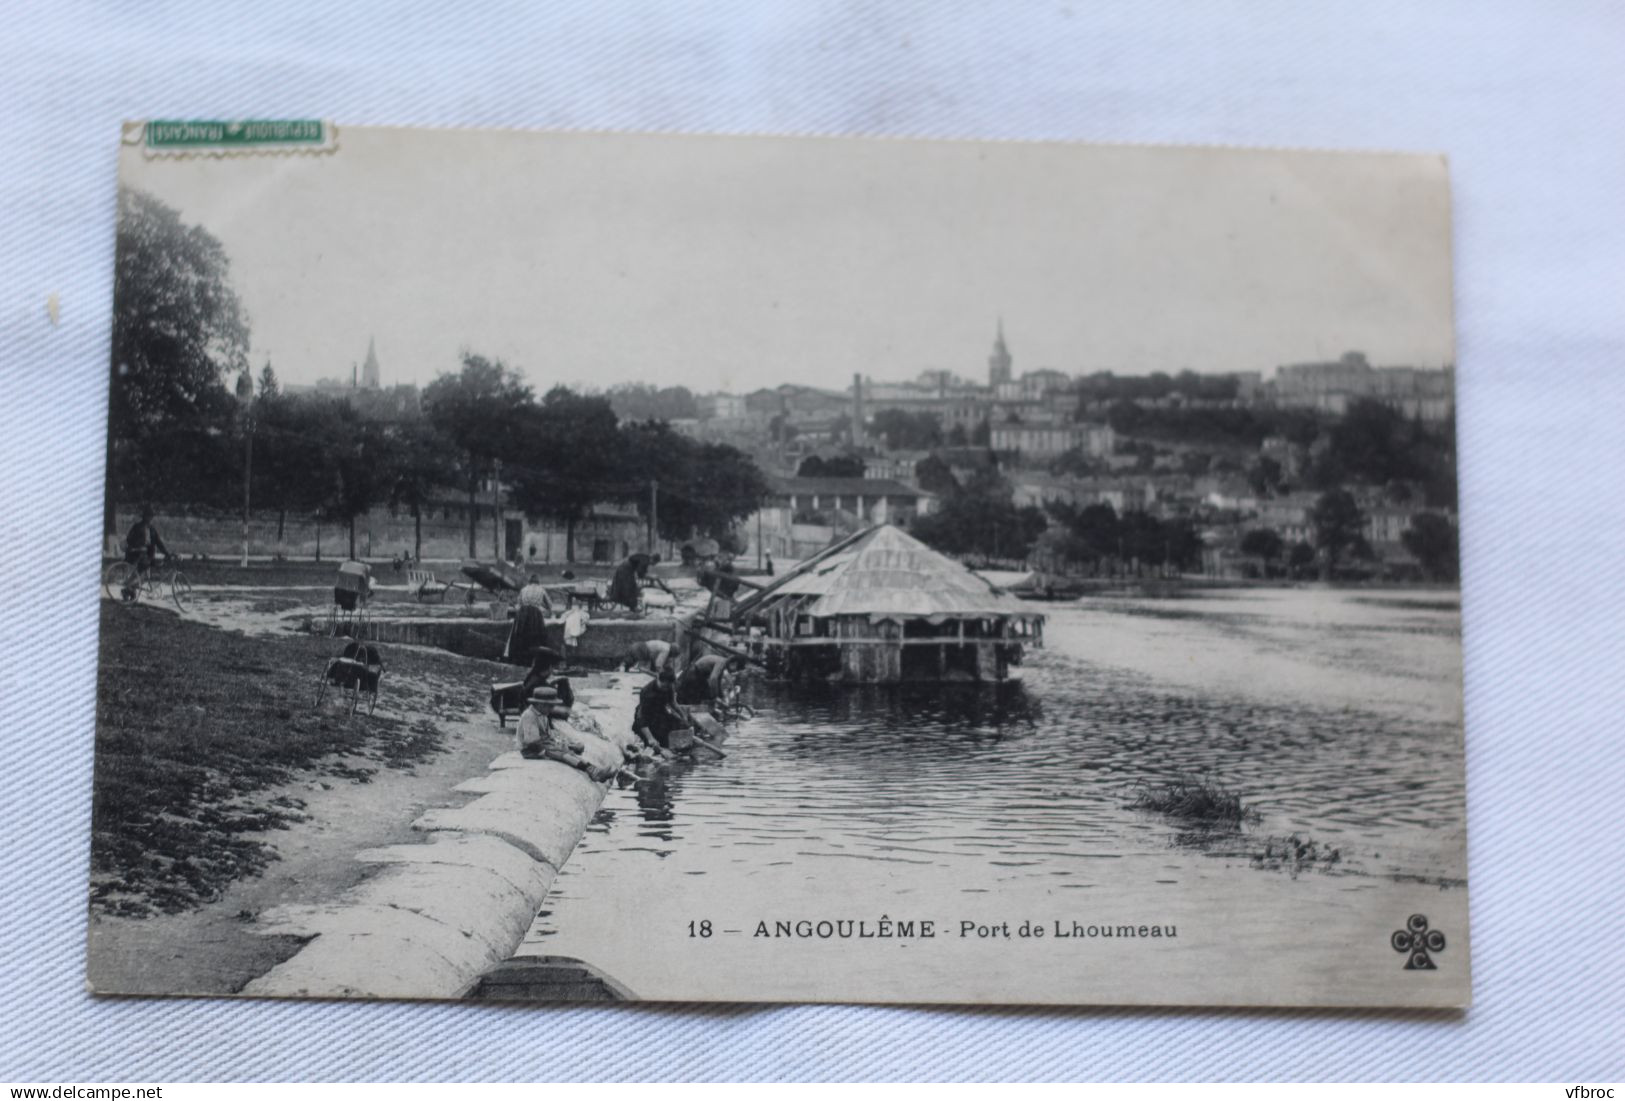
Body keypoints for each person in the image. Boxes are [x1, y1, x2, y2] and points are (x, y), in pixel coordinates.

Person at [515, 689, 614, 780]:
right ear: (541, 704)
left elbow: (548, 736)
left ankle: (593, 770)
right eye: (550, 706)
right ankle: (592, 771)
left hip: (544, 745)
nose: (552, 709)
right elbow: (531, 741)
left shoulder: (542, 715)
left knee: (568, 750)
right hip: (531, 750)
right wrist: (544, 752)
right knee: (564, 755)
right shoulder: (529, 716)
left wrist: (566, 744)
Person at [633, 667, 688, 754]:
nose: (665, 689)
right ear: (659, 680)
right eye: (664, 686)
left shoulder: (669, 686)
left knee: (681, 725)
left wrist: (683, 716)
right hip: (647, 717)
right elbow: (641, 718)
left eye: (668, 687)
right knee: (659, 738)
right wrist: (650, 738)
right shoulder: (647, 692)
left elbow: (673, 703)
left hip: (660, 713)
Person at [676, 653, 746, 706]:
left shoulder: (722, 663)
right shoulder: (721, 662)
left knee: (707, 694)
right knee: (703, 696)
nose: (734, 672)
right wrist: (716, 697)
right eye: (736, 669)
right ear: (734, 663)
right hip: (693, 675)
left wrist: (721, 696)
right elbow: (713, 679)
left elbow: (718, 682)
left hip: (697, 676)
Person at [124, 506, 170, 574]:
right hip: (136, 551)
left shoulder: (152, 529)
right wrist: (137, 545)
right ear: (143, 516)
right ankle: (133, 579)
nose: (149, 518)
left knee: (150, 563)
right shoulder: (137, 527)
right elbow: (129, 538)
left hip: (148, 552)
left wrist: (166, 553)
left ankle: (139, 578)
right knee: (143, 564)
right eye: (147, 516)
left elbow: (158, 542)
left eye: (151, 516)